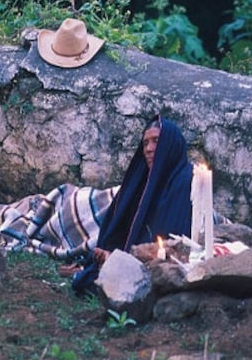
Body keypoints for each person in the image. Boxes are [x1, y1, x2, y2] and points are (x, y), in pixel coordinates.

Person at [72, 115, 193, 294]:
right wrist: (109, 251)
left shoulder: (184, 181)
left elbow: (168, 241)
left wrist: (118, 260)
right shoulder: (143, 180)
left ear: (170, 145)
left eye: (156, 141)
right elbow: (121, 222)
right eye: (145, 143)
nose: (149, 149)